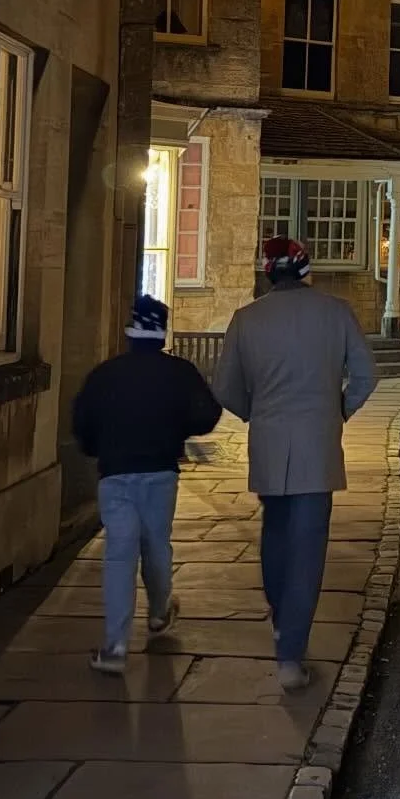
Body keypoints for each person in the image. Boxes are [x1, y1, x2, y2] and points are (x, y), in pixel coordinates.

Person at [213, 238, 377, 691]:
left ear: (268, 274)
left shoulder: (246, 320)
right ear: (306, 272)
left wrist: (256, 413)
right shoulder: (336, 312)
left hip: (268, 442)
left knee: (275, 536)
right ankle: (290, 653)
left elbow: (224, 388)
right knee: (306, 548)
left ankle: (283, 620)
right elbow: (366, 376)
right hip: (317, 445)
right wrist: (338, 409)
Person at [72, 294, 221, 674]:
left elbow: (83, 425)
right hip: (159, 471)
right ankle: (158, 612)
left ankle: (116, 646)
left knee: (120, 554)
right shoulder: (179, 372)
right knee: (156, 544)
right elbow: (207, 414)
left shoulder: (105, 374)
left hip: (116, 474)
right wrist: (176, 428)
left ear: (130, 332)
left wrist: (98, 447)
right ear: (161, 333)